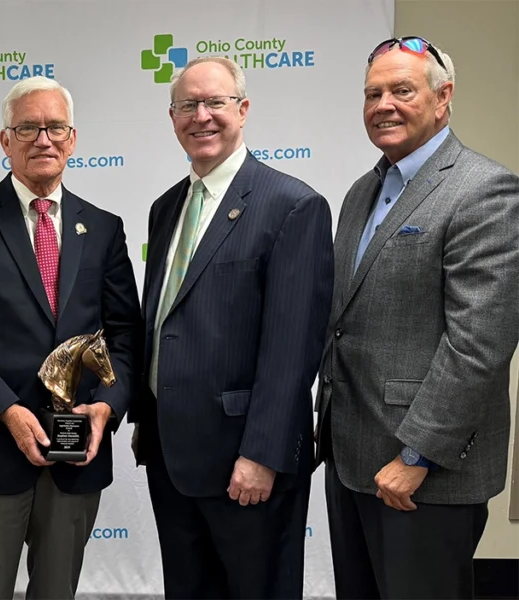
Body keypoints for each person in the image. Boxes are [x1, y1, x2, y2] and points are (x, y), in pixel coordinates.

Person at [0, 76, 141, 600]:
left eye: (55, 127)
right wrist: (8, 412)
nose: (43, 139)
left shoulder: (104, 228)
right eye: (28, 128)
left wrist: (107, 407)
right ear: (6, 141)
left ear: (72, 138)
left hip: (77, 453)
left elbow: (126, 336)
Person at [316, 37, 519, 600]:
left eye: (402, 90)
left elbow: (479, 343)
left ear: (442, 96)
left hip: (421, 474)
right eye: (372, 93)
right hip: (352, 459)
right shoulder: (364, 191)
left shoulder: (484, 191)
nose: (384, 104)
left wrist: (416, 455)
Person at [132, 56, 334, 599]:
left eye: (215, 102)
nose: (201, 116)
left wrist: (262, 455)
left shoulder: (292, 205)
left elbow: (293, 348)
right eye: (187, 105)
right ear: (171, 117)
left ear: (242, 110)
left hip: (246, 463)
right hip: (173, 457)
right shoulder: (166, 207)